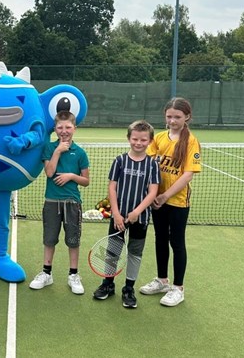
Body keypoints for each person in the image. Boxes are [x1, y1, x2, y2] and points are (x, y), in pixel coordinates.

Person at [140, 97, 202, 307]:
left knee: (177, 242)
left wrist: (165, 196)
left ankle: (178, 288)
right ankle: (162, 280)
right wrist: (152, 194)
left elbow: (187, 175)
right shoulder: (158, 138)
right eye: (169, 116)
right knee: (160, 239)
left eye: (177, 117)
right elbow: (148, 164)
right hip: (157, 200)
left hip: (177, 201)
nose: (173, 121)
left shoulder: (191, 141)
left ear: (187, 117)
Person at [92, 120, 160, 308]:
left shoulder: (152, 165)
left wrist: (137, 212)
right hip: (118, 217)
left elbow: (153, 192)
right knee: (113, 251)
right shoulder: (119, 161)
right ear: (129, 138)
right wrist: (116, 213)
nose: (138, 143)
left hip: (141, 218)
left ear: (150, 141)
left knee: (135, 253)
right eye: (135, 139)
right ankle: (108, 283)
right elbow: (112, 187)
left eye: (143, 140)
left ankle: (128, 288)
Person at [29, 111, 90, 294]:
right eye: (60, 127)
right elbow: (49, 172)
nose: (64, 131)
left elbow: (86, 181)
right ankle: (47, 273)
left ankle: (73, 275)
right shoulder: (49, 147)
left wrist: (71, 176)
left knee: (73, 240)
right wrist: (57, 151)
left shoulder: (80, 153)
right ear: (55, 129)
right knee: (49, 240)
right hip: (51, 202)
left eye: (68, 127)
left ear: (74, 129)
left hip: (72, 203)